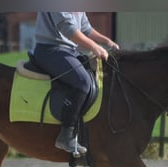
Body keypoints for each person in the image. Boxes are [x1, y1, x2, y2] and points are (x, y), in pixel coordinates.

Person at [33, 12, 119, 155]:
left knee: (95, 76)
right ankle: (66, 135)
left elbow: (85, 28)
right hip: (50, 50)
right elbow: (67, 28)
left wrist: (106, 41)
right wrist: (95, 47)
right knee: (82, 82)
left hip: (69, 51)